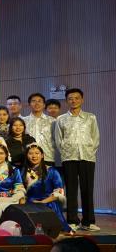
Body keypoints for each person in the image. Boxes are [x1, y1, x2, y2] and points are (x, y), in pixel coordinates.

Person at [53, 88, 99, 231]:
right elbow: (58, 139)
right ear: (67, 101)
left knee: (87, 189)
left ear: (82, 100)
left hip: (87, 157)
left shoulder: (91, 117)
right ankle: (72, 220)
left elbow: (95, 137)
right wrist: (65, 152)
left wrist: (90, 151)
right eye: (70, 98)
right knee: (71, 190)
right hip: (69, 157)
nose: (74, 101)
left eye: (77, 98)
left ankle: (88, 222)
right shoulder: (61, 119)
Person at [23, 144, 70, 232]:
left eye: (37, 153)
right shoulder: (23, 171)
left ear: (42, 155)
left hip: (48, 202)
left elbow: (59, 192)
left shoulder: (52, 171)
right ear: (27, 156)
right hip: (30, 202)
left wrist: (43, 202)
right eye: (31, 153)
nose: (34, 156)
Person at [22, 93, 55, 166]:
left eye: (39, 101)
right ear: (29, 104)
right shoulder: (23, 121)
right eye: (33, 101)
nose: (36, 103)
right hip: (28, 158)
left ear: (44, 105)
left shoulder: (52, 121)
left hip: (48, 157)